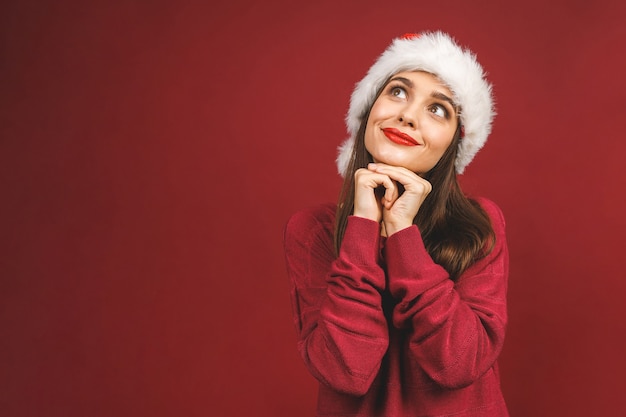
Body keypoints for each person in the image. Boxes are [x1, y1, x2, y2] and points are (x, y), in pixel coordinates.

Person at [283, 31, 509, 416]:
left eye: (437, 109)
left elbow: (460, 363)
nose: (407, 115)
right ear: (368, 111)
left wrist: (403, 235)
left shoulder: (480, 224)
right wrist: (364, 225)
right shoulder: (313, 230)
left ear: (454, 143)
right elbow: (345, 371)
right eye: (398, 91)